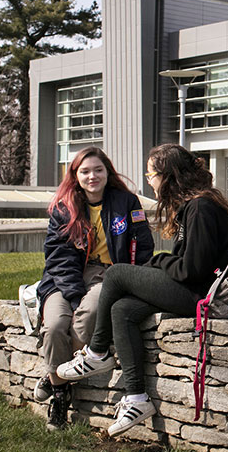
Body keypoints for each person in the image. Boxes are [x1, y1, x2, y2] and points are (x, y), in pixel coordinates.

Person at [57, 143, 228, 437]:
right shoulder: (193, 206)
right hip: (197, 289)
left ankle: (97, 352)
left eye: (151, 174)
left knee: (116, 274)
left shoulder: (201, 208)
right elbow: (188, 264)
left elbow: (192, 270)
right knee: (123, 309)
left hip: (205, 296)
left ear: (168, 176)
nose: (149, 180)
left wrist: (159, 261)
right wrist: (164, 265)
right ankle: (137, 399)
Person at [34, 146, 153, 430]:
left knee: (86, 321)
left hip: (110, 274)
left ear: (107, 172)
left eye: (98, 170)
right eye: (84, 171)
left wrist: (133, 277)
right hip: (63, 278)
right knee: (53, 326)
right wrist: (74, 296)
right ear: (75, 175)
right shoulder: (64, 208)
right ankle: (60, 390)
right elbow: (59, 259)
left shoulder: (126, 201)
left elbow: (144, 244)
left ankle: (55, 377)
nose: (92, 176)